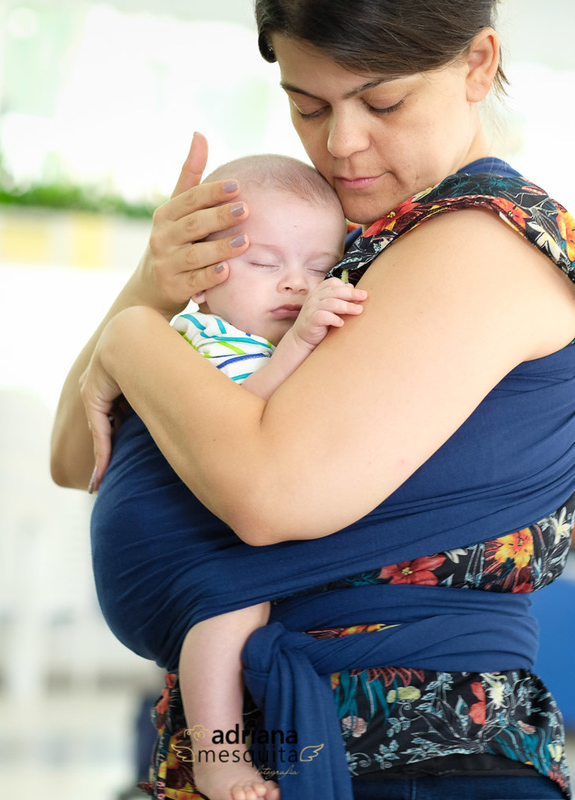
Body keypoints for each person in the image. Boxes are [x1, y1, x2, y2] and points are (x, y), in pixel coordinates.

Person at [51, 2, 575, 798]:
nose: (340, 143)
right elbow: (77, 455)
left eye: (383, 102)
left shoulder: (488, 239)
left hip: (416, 757)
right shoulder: (330, 242)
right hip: (261, 740)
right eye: (308, 105)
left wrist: (131, 339)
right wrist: (156, 283)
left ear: (477, 64)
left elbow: (268, 493)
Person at [169, 154, 364, 800]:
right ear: (201, 280)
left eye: (319, 268)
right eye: (264, 264)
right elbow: (238, 419)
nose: (296, 286)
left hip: (251, 537)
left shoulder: (257, 337)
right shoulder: (204, 338)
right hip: (198, 545)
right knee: (229, 615)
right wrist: (302, 345)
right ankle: (216, 757)